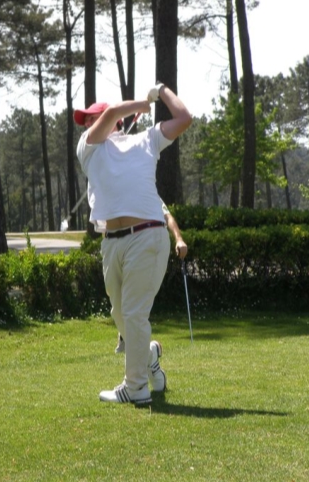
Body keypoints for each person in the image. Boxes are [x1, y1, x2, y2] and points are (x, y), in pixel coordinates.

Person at [74, 83, 192, 404]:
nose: (88, 124)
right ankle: (149, 354)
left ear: (117, 126)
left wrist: (163, 91)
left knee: (135, 313)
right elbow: (112, 111)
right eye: (86, 120)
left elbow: (184, 118)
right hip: (111, 243)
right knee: (120, 313)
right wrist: (145, 101)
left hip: (148, 236)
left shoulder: (146, 140)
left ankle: (136, 387)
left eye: (92, 118)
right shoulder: (88, 148)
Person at [114, 202, 188, 357]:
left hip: (146, 252)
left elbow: (167, 217)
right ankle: (147, 349)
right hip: (123, 250)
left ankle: (129, 342)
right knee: (119, 304)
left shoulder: (148, 192)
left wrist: (179, 239)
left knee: (135, 305)